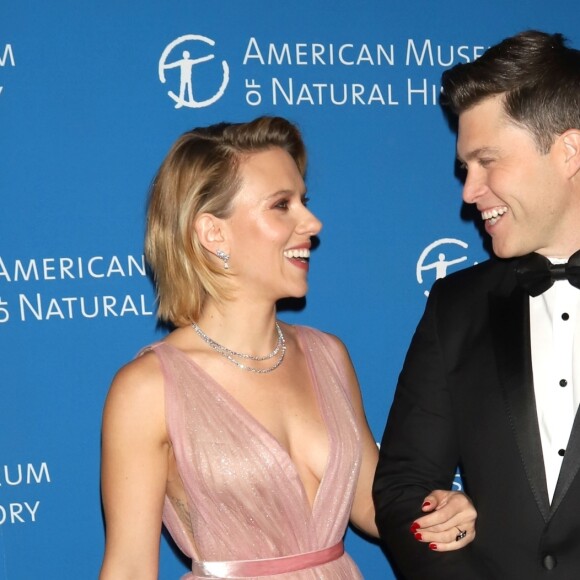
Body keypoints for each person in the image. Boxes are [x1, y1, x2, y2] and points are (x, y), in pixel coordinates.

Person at [99, 116, 476, 580]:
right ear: (213, 233)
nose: (312, 223)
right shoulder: (148, 388)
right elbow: (130, 566)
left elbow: (374, 504)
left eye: (304, 201)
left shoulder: (327, 355)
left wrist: (438, 510)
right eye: (281, 205)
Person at [373, 30, 580, 579]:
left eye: (487, 161)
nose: (468, 191)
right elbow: (402, 489)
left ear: (569, 152)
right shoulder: (456, 306)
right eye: (467, 168)